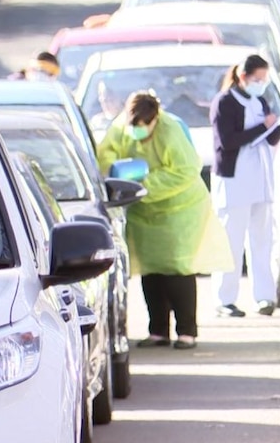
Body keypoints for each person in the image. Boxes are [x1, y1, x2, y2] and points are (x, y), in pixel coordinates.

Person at [97, 91, 232, 349]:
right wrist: (120, 175)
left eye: (142, 126)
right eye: (132, 126)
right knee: (151, 270)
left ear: (154, 118)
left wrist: (144, 185)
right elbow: (106, 154)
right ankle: (157, 330)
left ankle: (186, 331)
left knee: (177, 270)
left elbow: (184, 171)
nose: (137, 131)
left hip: (178, 209)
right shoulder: (122, 125)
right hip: (143, 210)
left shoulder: (170, 131)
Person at [209, 54, 280, 317]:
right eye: (257, 79)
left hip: (260, 180)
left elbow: (268, 139)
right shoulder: (224, 102)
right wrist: (263, 126)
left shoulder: (259, 101)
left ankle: (265, 297)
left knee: (262, 241)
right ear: (243, 77)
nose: (261, 84)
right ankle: (225, 299)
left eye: (264, 80)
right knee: (231, 242)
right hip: (234, 181)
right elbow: (228, 141)